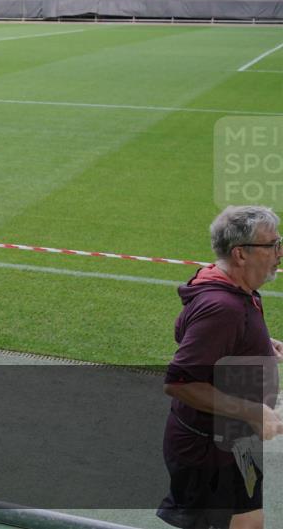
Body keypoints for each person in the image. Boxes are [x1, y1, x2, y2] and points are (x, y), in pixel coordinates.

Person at [158, 205, 283, 529]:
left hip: (234, 445)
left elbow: (184, 329)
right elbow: (180, 382)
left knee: (251, 523)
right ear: (241, 254)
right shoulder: (222, 307)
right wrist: (252, 412)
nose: (279, 252)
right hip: (210, 453)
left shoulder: (231, 286)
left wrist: (255, 343)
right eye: (272, 245)